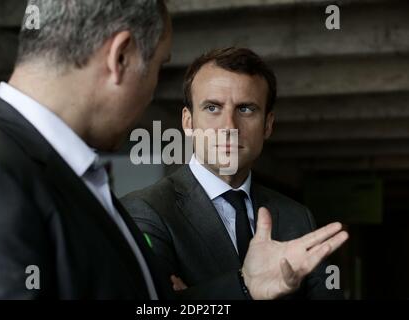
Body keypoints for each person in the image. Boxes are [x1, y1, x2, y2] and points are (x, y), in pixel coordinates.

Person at [0, 0, 346, 299]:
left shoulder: (56, 173)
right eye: (159, 68)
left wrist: (239, 287)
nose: (149, 95)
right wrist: (242, 287)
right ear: (121, 57)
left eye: (246, 109)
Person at [122, 47, 347, 299]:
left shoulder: (297, 217)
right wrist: (244, 286)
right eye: (212, 108)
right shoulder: (144, 211)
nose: (229, 126)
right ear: (188, 122)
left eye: (246, 109)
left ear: (268, 125)